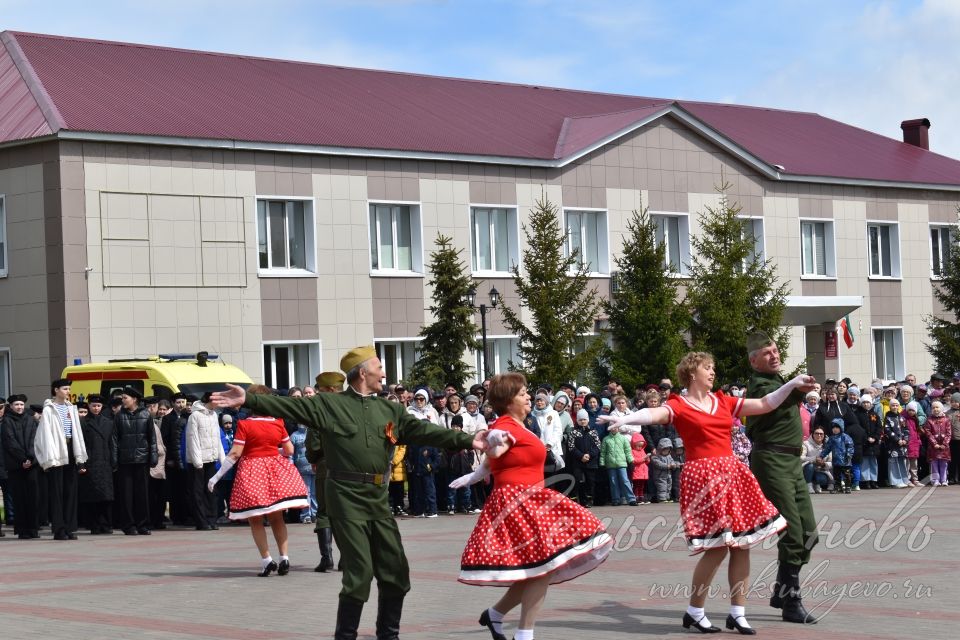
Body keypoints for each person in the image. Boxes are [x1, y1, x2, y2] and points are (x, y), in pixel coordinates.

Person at [211, 346, 487, 640]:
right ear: (362, 372)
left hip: (378, 500)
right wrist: (249, 399)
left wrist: (469, 439)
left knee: (396, 574)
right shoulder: (330, 404)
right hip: (345, 497)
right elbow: (290, 408)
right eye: (379, 367)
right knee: (359, 574)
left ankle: (388, 635)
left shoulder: (389, 409)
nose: (384, 373)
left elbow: (425, 432)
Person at [603, 350, 814, 633]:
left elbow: (764, 403)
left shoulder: (723, 401)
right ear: (692, 373)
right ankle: (695, 609)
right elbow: (655, 413)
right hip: (703, 478)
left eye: (713, 368)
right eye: (708, 368)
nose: (713, 372)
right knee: (715, 549)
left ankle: (737, 613)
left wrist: (790, 384)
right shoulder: (680, 404)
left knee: (742, 545)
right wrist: (627, 418)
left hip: (731, 474)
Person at [451, 372, 612, 640]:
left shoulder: (520, 425)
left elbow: (494, 460)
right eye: (523, 393)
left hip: (532, 500)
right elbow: (498, 448)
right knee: (542, 569)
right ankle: (523, 634)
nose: (529, 397)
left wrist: (475, 474)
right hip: (518, 503)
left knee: (536, 571)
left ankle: (495, 616)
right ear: (508, 399)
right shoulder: (506, 427)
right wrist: (490, 444)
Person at [745, 332, 819, 625]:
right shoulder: (759, 386)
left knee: (810, 534)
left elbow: (792, 393)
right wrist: (796, 385)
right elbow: (770, 401)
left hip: (791, 462)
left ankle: (781, 590)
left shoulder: (777, 382)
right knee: (792, 532)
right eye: (766, 354)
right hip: (771, 461)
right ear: (754, 361)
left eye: (775, 350)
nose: (774, 355)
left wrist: (804, 385)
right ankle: (792, 601)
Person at [208, 384, 307, 575]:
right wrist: (271, 450)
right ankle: (284, 557)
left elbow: (235, 453)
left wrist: (216, 477)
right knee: (277, 517)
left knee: (255, 519)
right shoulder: (278, 423)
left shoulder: (245, 425)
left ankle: (267, 560)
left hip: (252, 472)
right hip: (276, 471)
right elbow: (289, 451)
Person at [35, 379, 89, 540]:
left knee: (70, 491)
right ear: (56, 390)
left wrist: (80, 456)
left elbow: (77, 431)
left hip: (71, 450)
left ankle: (69, 527)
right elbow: (45, 435)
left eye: (69, 388)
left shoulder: (71, 408)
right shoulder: (49, 409)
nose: (68, 391)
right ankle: (59, 529)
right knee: (57, 493)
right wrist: (49, 457)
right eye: (65, 388)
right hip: (57, 452)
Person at [308, 370, 347, 573]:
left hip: (326, 465)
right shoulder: (353, 406)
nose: (318, 393)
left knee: (324, 511)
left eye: (321, 389)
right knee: (345, 512)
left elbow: (313, 443)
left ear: (330, 390)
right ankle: (346, 559)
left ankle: (327, 559)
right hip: (351, 467)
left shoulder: (320, 409)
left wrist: (314, 459)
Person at [114, 387, 157, 535]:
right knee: (126, 495)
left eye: (125, 398)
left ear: (134, 399)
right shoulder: (119, 416)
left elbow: (152, 438)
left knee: (142, 494)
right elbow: (114, 439)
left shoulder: (146, 415)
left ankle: (143, 524)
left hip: (142, 460)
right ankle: (128, 525)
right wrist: (114, 459)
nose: (123, 400)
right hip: (125, 461)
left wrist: (153, 456)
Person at [2, 394, 40, 538]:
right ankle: (22, 530)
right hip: (16, 466)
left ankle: (33, 529)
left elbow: (35, 440)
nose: (19, 407)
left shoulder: (30, 419)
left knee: (33, 498)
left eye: (21, 405)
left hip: (32, 465)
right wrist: (23, 459)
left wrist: (30, 458)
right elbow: (10, 442)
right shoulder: (7, 421)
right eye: (16, 405)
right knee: (19, 498)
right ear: (11, 406)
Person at [185, 393, 225, 530]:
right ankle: (201, 522)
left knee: (211, 490)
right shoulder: (194, 416)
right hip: (198, 461)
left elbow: (217, 438)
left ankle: (212, 519)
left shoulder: (214, 415)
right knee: (198, 492)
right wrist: (197, 461)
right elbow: (192, 439)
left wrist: (222, 458)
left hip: (211, 458)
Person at [79, 394, 117, 534]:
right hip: (91, 462)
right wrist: (82, 463)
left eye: (99, 406)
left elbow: (112, 443)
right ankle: (95, 525)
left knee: (106, 497)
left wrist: (114, 461)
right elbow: (80, 444)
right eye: (93, 405)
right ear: (89, 406)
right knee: (93, 497)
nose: (96, 408)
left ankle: (106, 524)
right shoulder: (83, 422)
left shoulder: (108, 422)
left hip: (105, 462)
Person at [564, 409, 600, 506]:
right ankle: (576, 500)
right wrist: (581, 456)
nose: (582, 421)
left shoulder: (593, 432)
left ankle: (589, 500)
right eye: (580, 420)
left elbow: (597, 446)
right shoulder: (573, 432)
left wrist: (589, 455)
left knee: (590, 482)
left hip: (591, 462)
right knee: (577, 481)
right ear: (577, 421)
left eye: (584, 419)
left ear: (588, 420)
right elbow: (571, 447)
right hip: (578, 462)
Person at [599, 424, 637, 506]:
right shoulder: (606, 439)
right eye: (612, 427)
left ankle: (631, 499)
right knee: (613, 482)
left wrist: (631, 461)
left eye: (615, 427)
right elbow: (603, 453)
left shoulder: (623, 439)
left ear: (618, 428)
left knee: (625, 480)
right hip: (610, 464)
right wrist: (602, 463)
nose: (613, 429)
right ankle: (615, 499)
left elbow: (628, 451)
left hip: (622, 463)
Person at [819, 419, 853, 493]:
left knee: (847, 474)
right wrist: (821, 456)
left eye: (837, 428)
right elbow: (827, 449)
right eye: (833, 428)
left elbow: (850, 445)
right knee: (837, 475)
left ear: (841, 428)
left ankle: (848, 486)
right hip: (836, 460)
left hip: (845, 460)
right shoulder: (831, 438)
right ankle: (838, 487)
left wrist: (849, 454)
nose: (834, 429)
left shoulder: (845, 437)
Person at [883, 399, 909, 488]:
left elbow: (906, 430)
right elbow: (887, 430)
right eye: (893, 405)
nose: (895, 407)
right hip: (893, 445)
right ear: (890, 406)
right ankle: (895, 481)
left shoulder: (902, 418)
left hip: (902, 445)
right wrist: (897, 440)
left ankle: (904, 479)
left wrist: (905, 439)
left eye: (896, 405)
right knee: (893, 462)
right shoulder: (887, 418)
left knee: (902, 462)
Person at [925, 400, 951, 486]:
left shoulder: (946, 419)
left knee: (944, 462)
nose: (935, 409)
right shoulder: (929, 420)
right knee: (934, 463)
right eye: (933, 407)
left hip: (944, 446)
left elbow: (948, 433)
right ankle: (935, 480)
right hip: (933, 446)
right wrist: (934, 443)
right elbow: (928, 433)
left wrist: (945, 444)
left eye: (937, 407)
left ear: (941, 408)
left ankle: (944, 479)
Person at [649, 438, 676, 503]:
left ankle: (667, 497)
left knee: (668, 486)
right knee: (662, 487)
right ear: (660, 449)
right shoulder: (656, 456)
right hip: (660, 476)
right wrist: (667, 466)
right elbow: (658, 464)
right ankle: (661, 499)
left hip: (668, 475)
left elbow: (672, 461)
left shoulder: (669, 456)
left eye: (668, 449)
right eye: (665, 449)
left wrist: (673, 465)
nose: (666, 451)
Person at [629, 432, 649, 504]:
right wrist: (644, 459)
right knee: (636, 486)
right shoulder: (632, 451)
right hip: (637, 472)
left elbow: (646, 462)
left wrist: (647, 459)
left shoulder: (642, 451)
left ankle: (641, 497)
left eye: (641, 446)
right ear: (633, 444)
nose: (640, 448)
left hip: (643, 472)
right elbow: (634, 461)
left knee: (642, 486)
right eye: (638, 446)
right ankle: (636, 497)